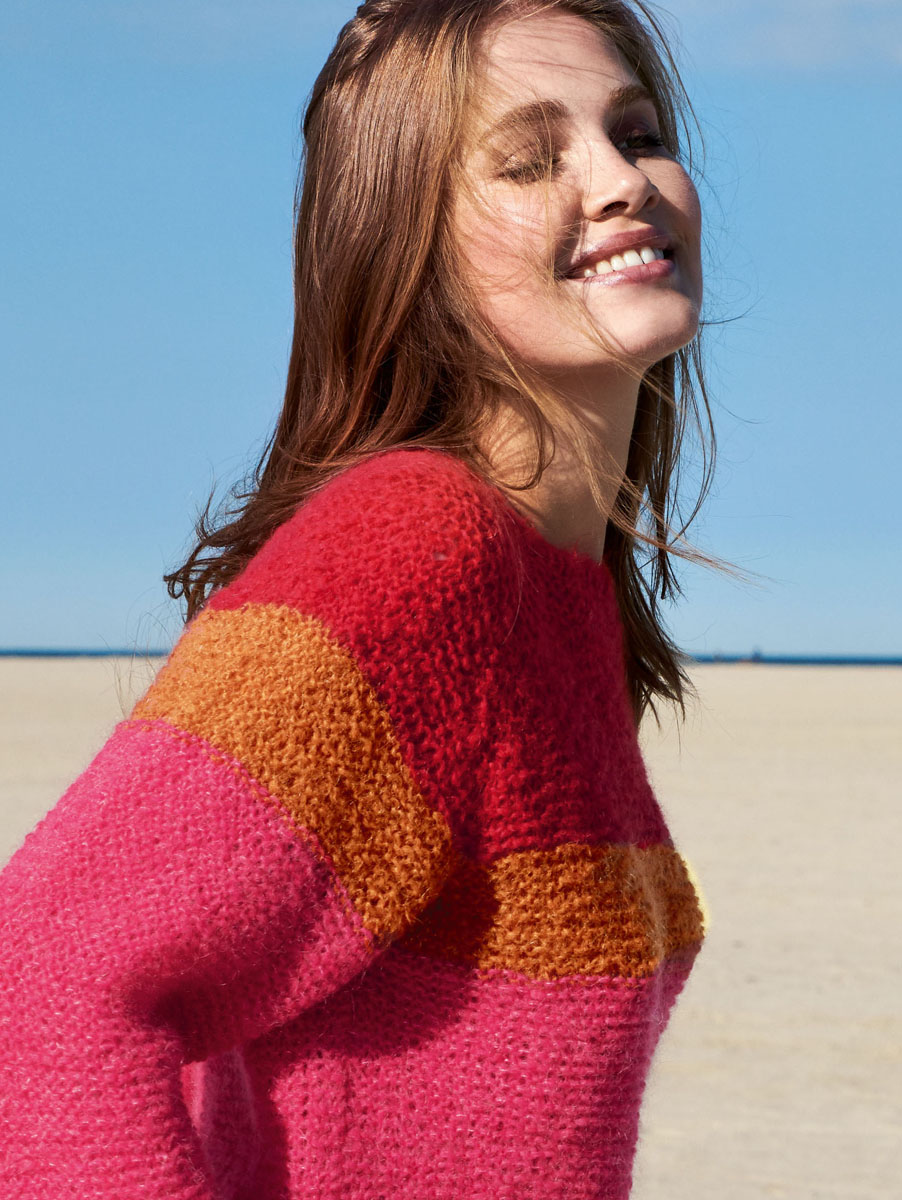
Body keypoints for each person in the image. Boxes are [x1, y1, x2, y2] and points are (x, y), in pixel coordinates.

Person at [0, 1, 732, 1196]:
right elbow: (44, 972)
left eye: (637, 133)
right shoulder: (419, 551)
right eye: (528, 160)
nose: (619, 182)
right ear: (409, 244)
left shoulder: (552, 591)